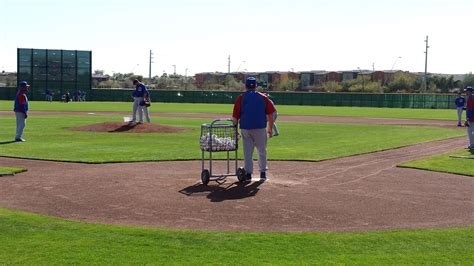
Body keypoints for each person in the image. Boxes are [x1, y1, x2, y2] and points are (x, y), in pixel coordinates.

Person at [232, 77, 276, 182]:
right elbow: (271, 114)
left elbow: (235, 118)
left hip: (245, 129)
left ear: (245, 86)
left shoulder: (241, 98)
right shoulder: (263, 97)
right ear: (256, 86)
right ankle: (262, 173)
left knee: (247, 152)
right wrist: (270, 128)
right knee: (262, 151)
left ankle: (248, 174)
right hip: (260, 128)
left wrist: (235, 131)